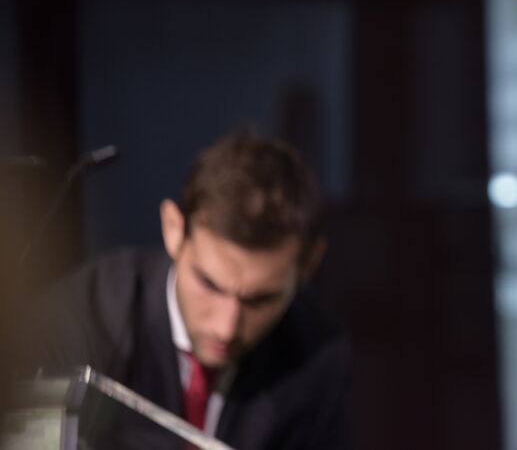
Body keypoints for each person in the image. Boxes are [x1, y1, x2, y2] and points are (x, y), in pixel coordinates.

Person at [28, 131, 350, 449]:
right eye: (209, 284)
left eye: (261, 300)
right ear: (173, 229)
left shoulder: (319, 358)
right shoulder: (79, 320)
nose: (226, 328)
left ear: (310, 264)